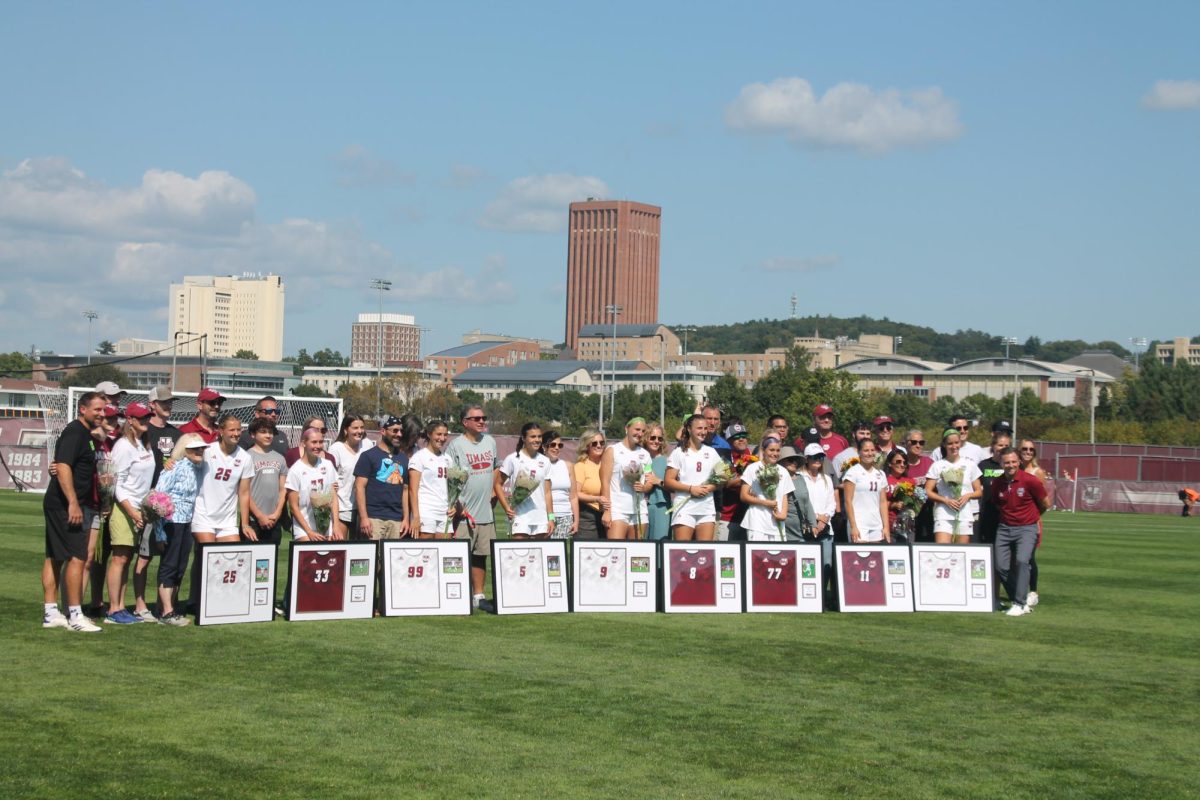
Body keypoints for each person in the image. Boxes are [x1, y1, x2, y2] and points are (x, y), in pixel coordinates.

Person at [41, 391, 106, 632]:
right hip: (66, 504)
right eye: (97, 409)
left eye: (103, 410)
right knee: (77, 557)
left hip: (62, 503)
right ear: (83, 409)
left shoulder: (85, 434)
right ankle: (75, 616)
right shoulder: (75, 432)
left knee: (55, 557)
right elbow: (63, 466)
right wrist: (73, 503)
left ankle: (50, 612)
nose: (101, 413)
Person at [102, 402, 157, 623]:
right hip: (125, 508)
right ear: (130, 420)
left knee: (126, 558)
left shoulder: (143, 444)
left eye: (147, 417)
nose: (146, 421)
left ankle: (121, 607)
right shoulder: (123, 446)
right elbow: (118, 483)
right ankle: (114, 609)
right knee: (120, 558)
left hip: (139, 508)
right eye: (141, 418)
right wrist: (132, 512)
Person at [151, 434, 208, 626]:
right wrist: (159, 531)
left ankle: (170, 608)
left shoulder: (198, 468)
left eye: (202, 448)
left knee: (180, 566)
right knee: (169, 564)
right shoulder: (174, 467)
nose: (200, 452)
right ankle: (166, 612)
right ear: (186, 449)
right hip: (171, 521)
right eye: (195, 449)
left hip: (187, 522)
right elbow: (158, 498)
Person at [445, 405, 497, 610]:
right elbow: (450, 480)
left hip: (485, 512)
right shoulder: (455, 445)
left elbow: (495, 468)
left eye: (484, 417)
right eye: (476, 418)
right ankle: (457, 593)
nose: (482, 421)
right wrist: (457, 506)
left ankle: (479, 596)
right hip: (463, 513)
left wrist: (493, 491)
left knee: (480, 555)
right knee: (459, 556)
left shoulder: (490, 441)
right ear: (465, 422)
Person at [991, 446, 1050, 617]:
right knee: (1000, 566)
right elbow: (997, 503)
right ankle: (1020, 598)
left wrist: (1032, 517)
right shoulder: (997, 483)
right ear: (1001, 463)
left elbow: (1045, 502)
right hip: (1004, 528)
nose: (1010, 465)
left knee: (1023, 561)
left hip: (1027, 528)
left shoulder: (1030, 480)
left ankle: (1018, 603)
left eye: (1013, 461)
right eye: (1006, 462)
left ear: (1019, 462)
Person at [601, 418, 660, 540]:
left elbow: (650, 480)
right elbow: (605, 482)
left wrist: (644, 488)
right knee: (617, 552)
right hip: (617, 510)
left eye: (643, 431)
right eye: (637, 429)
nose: (640, 433)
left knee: (637, 554)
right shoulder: (613, 450)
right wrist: (607, 511)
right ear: (626, 429)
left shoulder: (645, 454)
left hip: (640, 510)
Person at [353, 416, 410, 541]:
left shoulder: (403, 458)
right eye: (395, 431)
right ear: (383, 431)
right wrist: (363, 517)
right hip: (374, 517)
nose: (399, 434)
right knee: (374, 558)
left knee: (393, 559)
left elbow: (405, 490)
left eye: (401, 431)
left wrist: (406, 518)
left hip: (396, 518)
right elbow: (359, 487)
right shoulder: (368, 456)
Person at [665, 414, 720, 541]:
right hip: (684, 508)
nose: (703, 432)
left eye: (705, 428)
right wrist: (691, 489)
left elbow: (723, 478)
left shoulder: (711, 452)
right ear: (689, 429)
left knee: (705, 553)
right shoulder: (678, 452)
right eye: (699, 428)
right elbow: (668, 481)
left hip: (706, 509)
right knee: (682, 552)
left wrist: (711, 487)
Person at [495, 422, 555, 539]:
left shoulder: (546, 461)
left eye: (539, 436)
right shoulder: (512, 459)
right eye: (533, 436)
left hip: (541, 518)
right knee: (520, 555)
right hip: (520, 517)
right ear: (523, 438)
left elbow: (547, 492)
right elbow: (497, 484)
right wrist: (507, 508)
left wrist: (551, 518)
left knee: (540, 556)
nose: (537, 440)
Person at [925, 428, 984, 544]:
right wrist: (945, 500)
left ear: (960, 443)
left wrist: (967, 496)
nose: (954, 446)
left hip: (964, 514)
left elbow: (979, 492)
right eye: (950, 443)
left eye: (956, 443)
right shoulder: (938, 465)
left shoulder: (969, 464)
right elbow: (928, 491)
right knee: (943, 551)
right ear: (944, 445)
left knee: (962, 553)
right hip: (943, 514)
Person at [286, 426, 341, 541]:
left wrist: (336, 526)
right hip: (304, 527)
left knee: (331, 558)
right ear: (304, 443)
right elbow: (293, 506)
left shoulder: (328, 465)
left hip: (326, 524)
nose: (318, 446)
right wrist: (309, 531)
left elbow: (333, 497)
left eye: (321, 442)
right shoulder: (295, 470)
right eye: (314, 442)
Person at [739, 436, 792, 542]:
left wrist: (783, 514)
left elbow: (784, 496)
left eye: (777, 450)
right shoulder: (752, 468)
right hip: (757, 523)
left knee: (777, 557)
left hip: (777, 523)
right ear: (763, 450)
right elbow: (743, 496)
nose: (775, 453)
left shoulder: (784, 471)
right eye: (771, 450)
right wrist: (765, 502)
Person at [245, 418, 288, 546]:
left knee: (271, 560)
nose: (268, 435)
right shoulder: (246, 457)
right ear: (253, 434)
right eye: (263, 432)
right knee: (251, 560)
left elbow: (283, 489)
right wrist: (259, 516)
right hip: (253, 519)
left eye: (270, 432)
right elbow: (244, 491)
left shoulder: (280, 458)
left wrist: (277, 513)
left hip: (274, 518)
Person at [409, 419, 454, 539]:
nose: (442, 438)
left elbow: (451, 489)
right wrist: (416, 516)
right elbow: (413, 490)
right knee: (426, 554)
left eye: (445, 435)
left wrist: (453, 505)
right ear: (429, 434)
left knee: (445, 553)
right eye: (438, 434)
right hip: (426, 511)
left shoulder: (448, 459)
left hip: (445, 512)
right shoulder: (419, 457)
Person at [800, 443, 837, 584]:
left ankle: (823, 597)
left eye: (821, 457)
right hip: (806, 527)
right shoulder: (799, 477)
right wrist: (815, 518)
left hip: (825, 528)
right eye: (814, 457)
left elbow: (831, 503)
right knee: (807, 565)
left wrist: (824, 520)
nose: (818, 460)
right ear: (807, 459)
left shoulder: (827, 479)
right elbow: (802, 502)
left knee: (826, 564)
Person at [1019, 439, 1050, 607]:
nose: (1028, 452)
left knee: (1029, 557)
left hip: (1031, 521)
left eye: (1031, 449)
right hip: (1014, 521)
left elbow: (1044, 500)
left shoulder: (1037, 472)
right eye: (1024, 448)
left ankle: (1033, 591)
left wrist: (1035, 516)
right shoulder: (1013, 468)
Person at [842, 439, 890, 544]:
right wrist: (853, 526)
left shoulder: (880, 474)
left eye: (872, 450)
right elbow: (848, 501)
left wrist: (886, 527)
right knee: (859, 558)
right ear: (859, 452)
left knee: (876, 558)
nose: (870, 453)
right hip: (859, 524)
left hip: (876, 525)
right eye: (866, 450)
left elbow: (883, 502)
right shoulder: (853, 472)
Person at [328, 415, 368, 539]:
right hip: (342, 506)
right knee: (340, 549)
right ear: (346, 430)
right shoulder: (336, 448)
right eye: (355, 428)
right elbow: (330, 478)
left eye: (361, 427)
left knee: (361, 551)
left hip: (363, 507)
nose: (359, 431)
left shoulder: (367, 445)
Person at [720, 422, 757, 541]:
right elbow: (727, 484)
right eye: (736, 437)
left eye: (744, 436)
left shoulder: (754, 458)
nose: (741, 439)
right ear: (729, 440)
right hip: (728, 516)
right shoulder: (723, 458)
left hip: (750, 517)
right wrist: (748, 475)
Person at [541, 430, 580, 539]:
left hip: (565, 516)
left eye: (560, 445)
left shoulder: (568, 466)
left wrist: (576, 521)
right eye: (553, 445)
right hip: (544, 516)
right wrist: (550, 517)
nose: (557, 448)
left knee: (560, 553)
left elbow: (573, 496)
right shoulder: (539, 466)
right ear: (544, 446)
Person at [975, 432, 1013, 545]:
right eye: (1000, 445)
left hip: (1008, 517)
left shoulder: (1013, 466)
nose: (1003, 448)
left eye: (1006, 446)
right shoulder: (983, 465)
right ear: (993, 446)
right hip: (988, 515)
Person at [573, 429, 607, 540]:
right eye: (594, 443)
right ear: (587, 446)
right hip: (587, 517)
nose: (599, 446)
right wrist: (597, 499)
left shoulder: (608, 464)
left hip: (607, 515)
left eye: (601, 443)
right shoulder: (580, 466)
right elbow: (575, 494)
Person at [778, 445, 816, 541]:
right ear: (781, 462)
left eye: (796, 460)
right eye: (791, 460)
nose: (794, 462)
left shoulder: (800, 478)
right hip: (783, 528)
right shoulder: (777, 479)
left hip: (801, 528)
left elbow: (807, 502)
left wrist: (813, 524)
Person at [643, 424, 671, 541]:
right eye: (652, 437)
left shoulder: (667, 461)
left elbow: (674, 487)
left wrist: (658, 481)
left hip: (661, 507)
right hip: (641, 507)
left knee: (659, 543)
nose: (656, 441)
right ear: (645, 438)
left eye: (660, 439)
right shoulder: (640, 458)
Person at [883, 448, 914, 542]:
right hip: (889, 525)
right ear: (890, 463)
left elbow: (915, 503)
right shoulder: (884, 480)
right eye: (898, 461)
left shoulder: (910, 481)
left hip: (907, 525)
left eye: (904, 462)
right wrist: (894, 505)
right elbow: (878, 503)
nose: (902, 465)